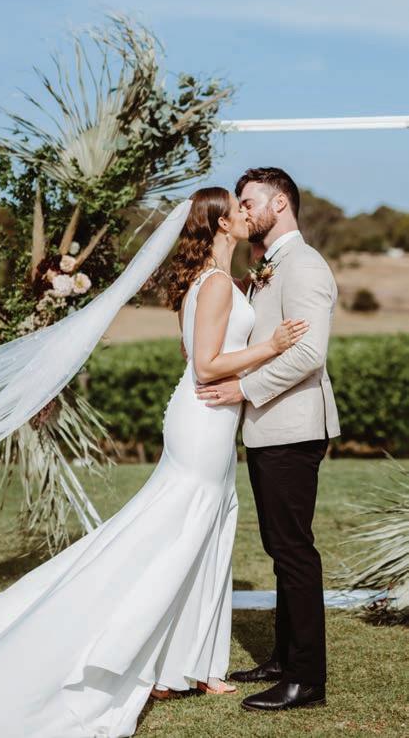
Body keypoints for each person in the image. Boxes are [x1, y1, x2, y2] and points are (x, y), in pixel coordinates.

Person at [0, 189, 307, 737]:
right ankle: (141, 655)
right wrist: (272, 346)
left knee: (200, 532)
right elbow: (206, 365)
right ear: (219, 223)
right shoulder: (216, 284)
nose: (246, 214)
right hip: (203, 419)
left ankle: (185, 664)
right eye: (238, 209)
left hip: (206, 420)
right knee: (178, 535)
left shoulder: (209, 280)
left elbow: (190, 352)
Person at [198, 168, 340, 711]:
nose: (241, 209)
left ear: (280, 203)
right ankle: (283, 658)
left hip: (292, 428)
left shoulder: (305, 265)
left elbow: (308, 353)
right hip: (269, 428)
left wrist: (242, 388)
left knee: (294, 551)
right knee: (279, 549)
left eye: (248, 201)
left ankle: (306, 679)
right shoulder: (268, 266)